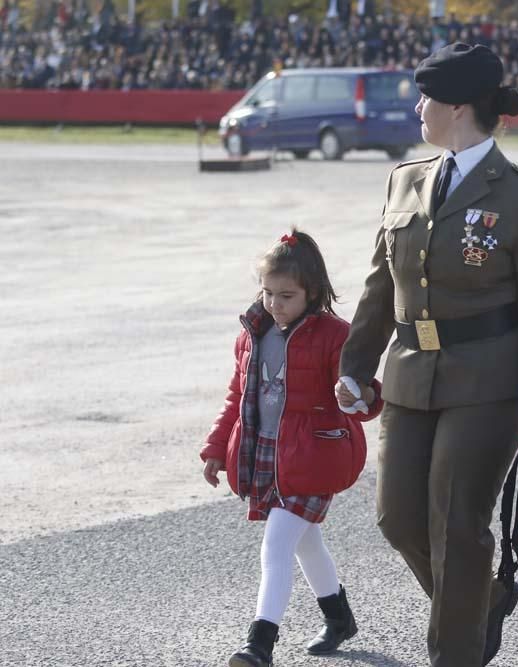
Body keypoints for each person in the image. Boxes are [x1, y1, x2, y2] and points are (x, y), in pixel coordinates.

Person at [336, 42, 518, 667]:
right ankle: (482, 602)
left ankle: (453, 655)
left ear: (459, 107)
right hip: (411, 374)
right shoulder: (405, 180)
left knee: (457, 526)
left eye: (427, 98)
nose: (418, 107)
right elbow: (381, 286)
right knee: (398, 518)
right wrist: (354, 367)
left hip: (490, 379)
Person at [200, 229, 382, 667]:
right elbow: (237, 397)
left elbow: (364, 394)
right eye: (267, 293)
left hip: (315, 456)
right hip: (267, 453)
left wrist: (358, 396)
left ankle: (258, 645)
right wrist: (215, 447)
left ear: (313, 293)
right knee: (306, 543)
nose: (274, 304)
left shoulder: (336, 335)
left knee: (276, 546)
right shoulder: (252, 333)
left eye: (286, 295)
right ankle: (339, 619)